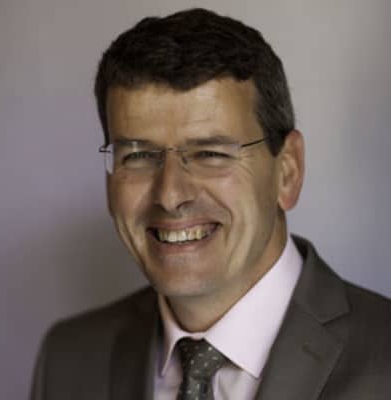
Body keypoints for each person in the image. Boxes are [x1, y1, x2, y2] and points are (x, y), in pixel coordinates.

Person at [30, 8, 391, 400]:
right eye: (138, 156)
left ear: (287, 171)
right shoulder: (68, 358)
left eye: (210, 154)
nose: (170, 196)